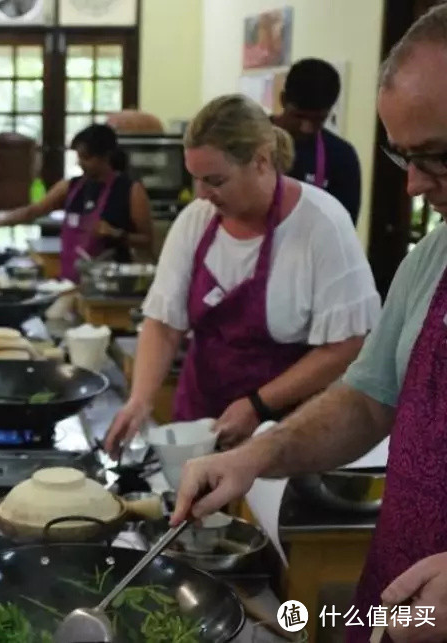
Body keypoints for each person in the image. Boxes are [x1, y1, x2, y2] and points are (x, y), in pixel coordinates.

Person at [172, 6, 447, 642]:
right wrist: (257, 454)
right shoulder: (430, 259)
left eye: (435, 157)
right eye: (401, 154)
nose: (410, 186)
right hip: (393, 603)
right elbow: (366, 399)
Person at [104, 94, 379, 454]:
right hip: (200, 420)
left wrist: (257, 405)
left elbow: (347, 345)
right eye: (196, 179)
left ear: (261, 161)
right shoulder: (196, 221)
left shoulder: (321, 225)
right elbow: (163, 322)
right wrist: (140, 399)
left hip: (283, 431)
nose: (202, 194)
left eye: (215, 180)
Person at [0, 124, 154, 281]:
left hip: (108, 285)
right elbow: (33, 211)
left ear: (105, 156)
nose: (79, 162)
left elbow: (147, 241)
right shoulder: (70, 187)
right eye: (78, 156)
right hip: (70, 281)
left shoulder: (131, 190)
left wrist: (116, 234)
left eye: (85, 158)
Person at [273, 57, 363, 223]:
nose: (305, 128)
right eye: (299, 116)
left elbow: (343, 229)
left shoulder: (341, 157)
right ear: (283, 100)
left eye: (318, 120)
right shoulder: (248, 140)